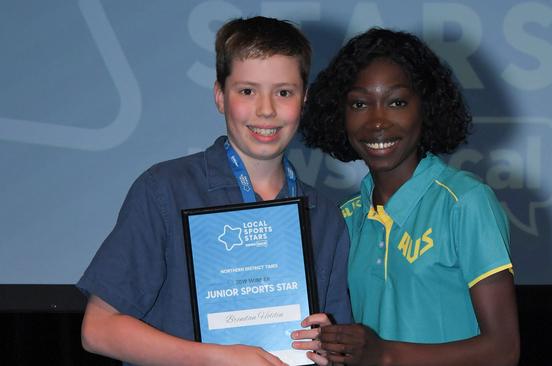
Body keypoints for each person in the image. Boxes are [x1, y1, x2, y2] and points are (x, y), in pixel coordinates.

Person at [77, 16, 352, 366]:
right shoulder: (164, 191)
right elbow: (98, 329)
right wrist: (217, 358)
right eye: (247, 91)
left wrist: (329, 349)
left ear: (304, 99)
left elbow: (335, 345)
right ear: (220, 96)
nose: (266, 110)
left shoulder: (324, 215)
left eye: (283, 92)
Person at [294, 28, 520, 366]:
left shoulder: (465, 202)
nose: (377, 121)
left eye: (397, 102)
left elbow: (504, 351)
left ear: (425, 108)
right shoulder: (346, 218)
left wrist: (384, 354)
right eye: (359, 104)